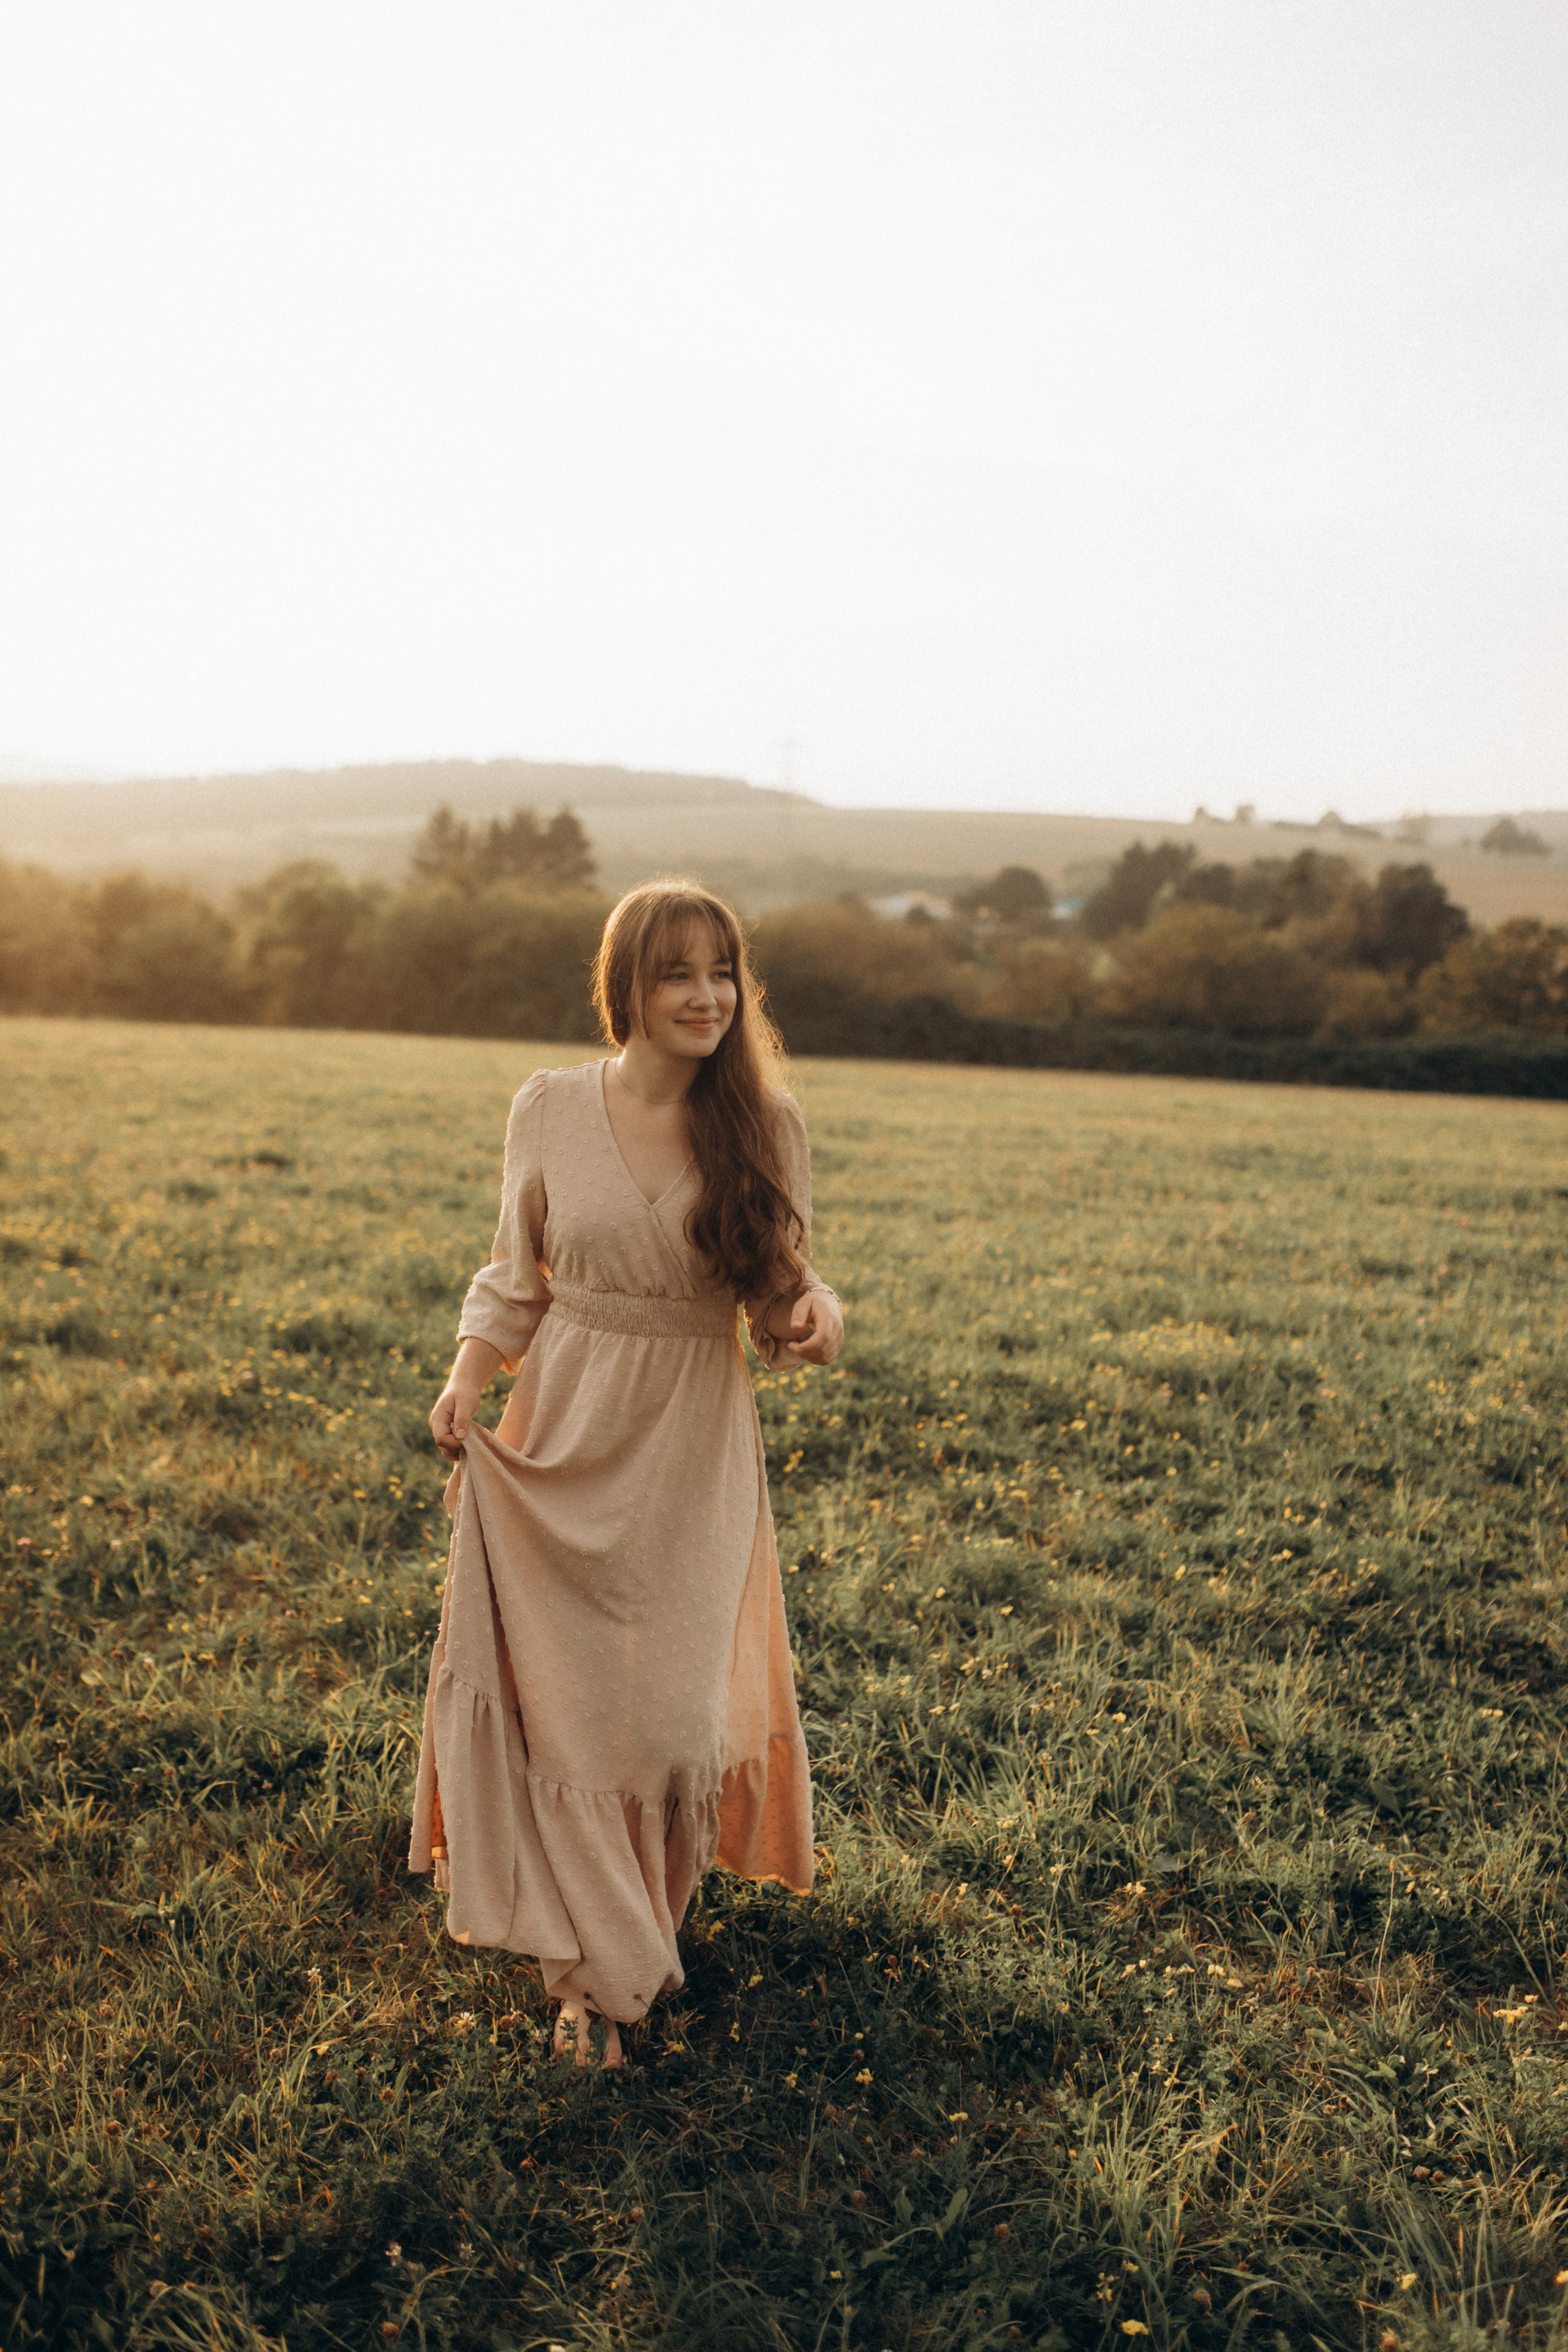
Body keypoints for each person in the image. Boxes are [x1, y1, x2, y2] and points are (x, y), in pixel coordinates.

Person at [409, 878, 843, 2068]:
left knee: (664, 1723)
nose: (705, 995)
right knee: (572, 1710)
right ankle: (598, 1982)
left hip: (692, 1442)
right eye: (675, 972)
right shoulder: (548, 1107)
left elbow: (783, 1290)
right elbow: (514, 1274)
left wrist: (815, 1314)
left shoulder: (765, 1124)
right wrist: (467, 1377)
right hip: (566, 1424)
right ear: (626, 988)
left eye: (721, 972)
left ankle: (626, 1927)